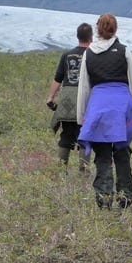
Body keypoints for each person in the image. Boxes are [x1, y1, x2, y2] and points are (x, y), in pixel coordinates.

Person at [77, 13, 132, 209]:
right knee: (122, 152)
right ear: (115, 29)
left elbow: (84, 88)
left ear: (97, 29)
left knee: (103, 155)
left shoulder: (88, 53)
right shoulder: (124, 51)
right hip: (122, 107)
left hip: (98, 107)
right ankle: (125, 197)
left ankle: (104, 198)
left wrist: (82, 117)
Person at [46, 23, 93, 171]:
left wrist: (51, 97)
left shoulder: (67, 55)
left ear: (77, 36)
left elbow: (58, 78)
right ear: (91, 37)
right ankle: (83, 170)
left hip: (67, 99)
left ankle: (61, 170)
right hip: (86, 99)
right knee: (85, 134)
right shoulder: (93, 55)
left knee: (66, 134)